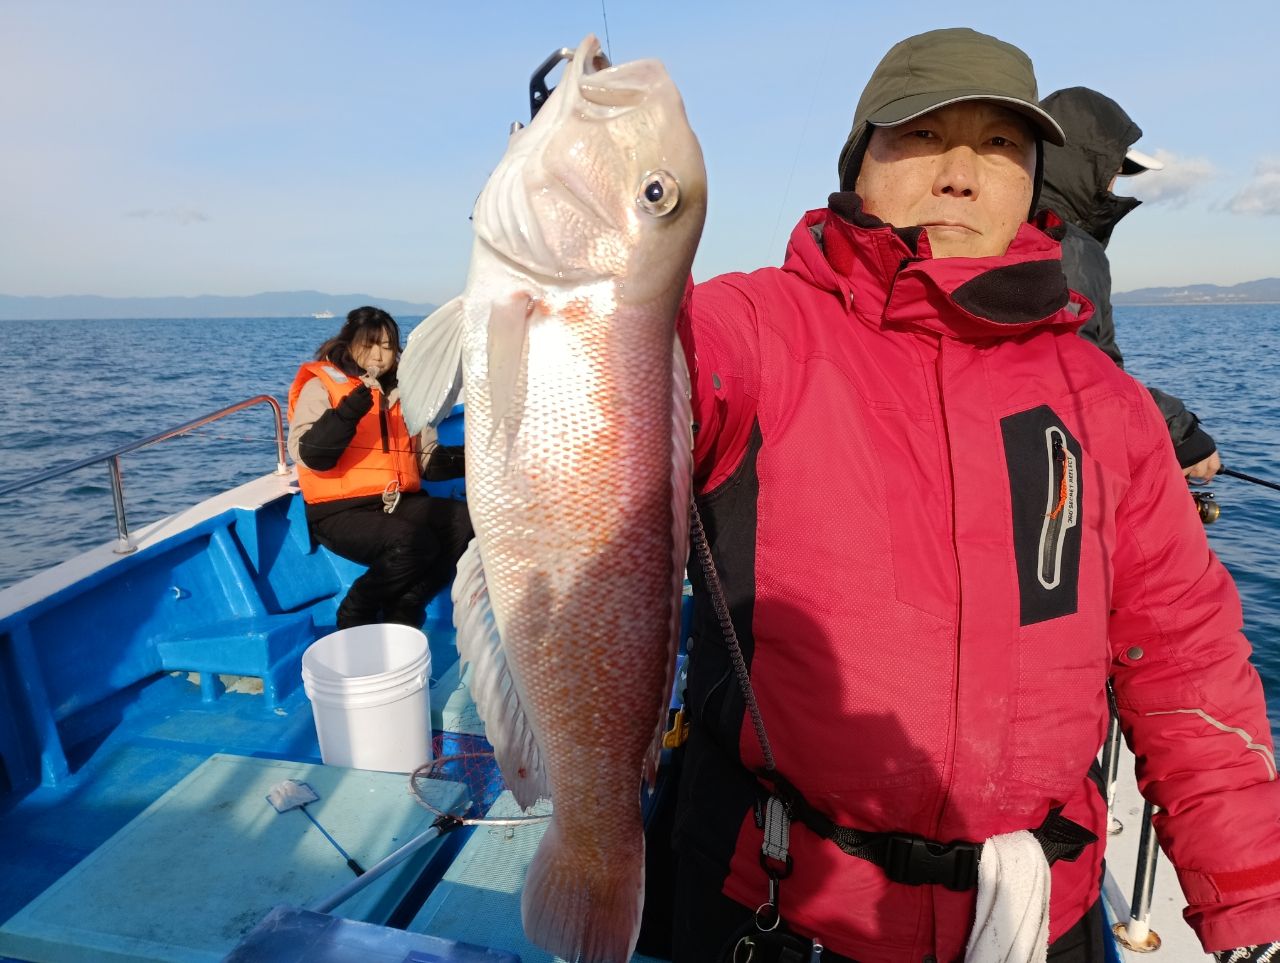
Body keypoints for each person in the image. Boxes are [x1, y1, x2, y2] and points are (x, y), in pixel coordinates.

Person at [669, 27, 1280, 963]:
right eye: (920, 133)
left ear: (1035, 180)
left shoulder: (1104, 404)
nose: (960, 172)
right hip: (779, 907)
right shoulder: (751, 327)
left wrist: (1255, 907)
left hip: (1041, 915)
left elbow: (1184, 658)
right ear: (859, 165)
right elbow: (628, 372)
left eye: (999, 144)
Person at [1038, 86, 1221, 482]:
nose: (1112, 188)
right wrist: (1181, 431)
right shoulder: (1066, 246)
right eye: (1111, 174)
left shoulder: (1028, 230)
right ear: (1085, 167)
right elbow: (1073, 373)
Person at [286, 306, 471, 629]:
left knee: (464, 522)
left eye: (387, 346)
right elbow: (311, 455)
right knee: (415, 542)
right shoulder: (324, 388)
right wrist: (349, 411)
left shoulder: (406, 393)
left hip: (398, 501)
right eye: (369, 345)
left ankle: (408, 601)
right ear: (349, 344)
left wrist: (476, 458)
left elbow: (427, 461)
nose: (378, 355)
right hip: (338, 512)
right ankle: (358, 609)